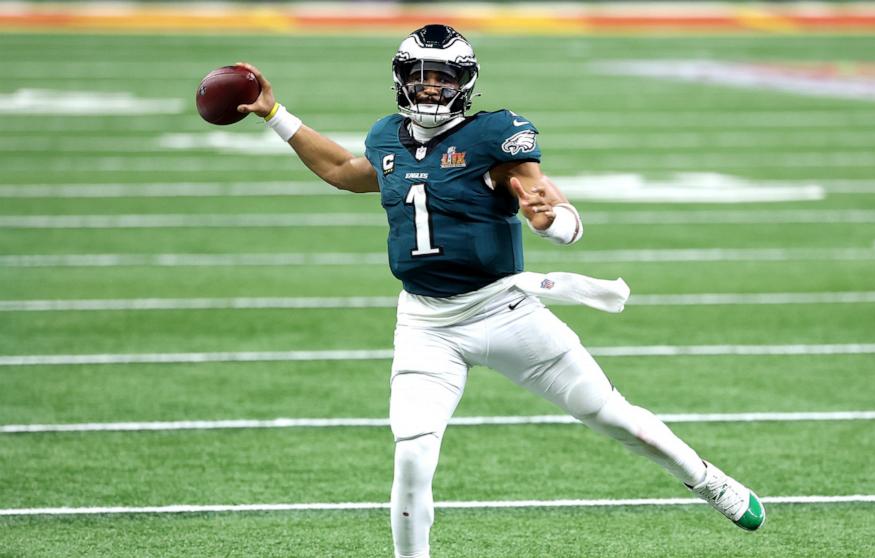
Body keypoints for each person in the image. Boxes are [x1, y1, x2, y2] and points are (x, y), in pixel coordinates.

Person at [235, 24, 765, 558]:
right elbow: (344, 171)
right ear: (401, 80)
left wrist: (549, 220)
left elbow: (557, 209)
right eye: (420, 76)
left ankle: (708, 480)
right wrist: (276, 116)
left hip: (504, 311)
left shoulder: (494, 135)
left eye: (444, 77)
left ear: (465, 83)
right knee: (413, 455)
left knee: (608, 412)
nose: (431, 88)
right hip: (425, 323)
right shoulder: (385, 137)